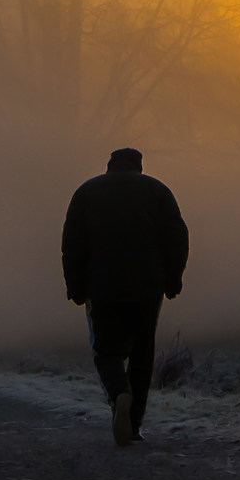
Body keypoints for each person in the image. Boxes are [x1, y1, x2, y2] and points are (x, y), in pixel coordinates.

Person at [61, 147, 189, 446]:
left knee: (106, 351)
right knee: (142, 355)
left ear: (110, 165)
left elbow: (72, 244)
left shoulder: (86, 192)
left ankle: (119, 393)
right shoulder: (158, 191)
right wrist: (173, 279)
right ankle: (133, 426)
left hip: (102, 286)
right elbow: (178, 238)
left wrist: (75, 286)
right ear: (139, 167)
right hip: (147, 287)